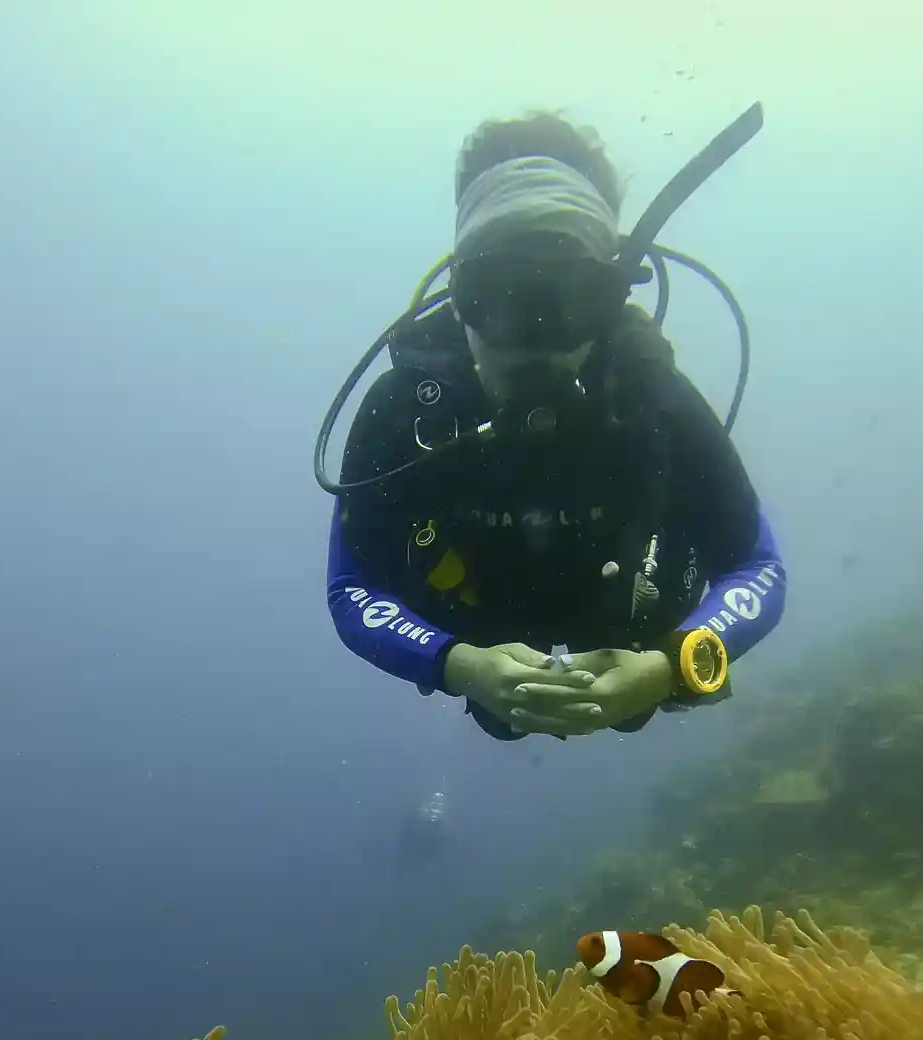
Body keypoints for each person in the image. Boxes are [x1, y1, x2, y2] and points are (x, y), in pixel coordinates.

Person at [319, 107, 787, 741]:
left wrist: (672, 666)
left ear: (611, 301)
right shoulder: (411, 410)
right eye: (501, 298)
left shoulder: (651, 397)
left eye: (569, 302)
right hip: (475, 634)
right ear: (460, 297)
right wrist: (459, 664)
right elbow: (354, 586)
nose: (533, 340)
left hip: (633, 627)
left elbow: (755, 568)